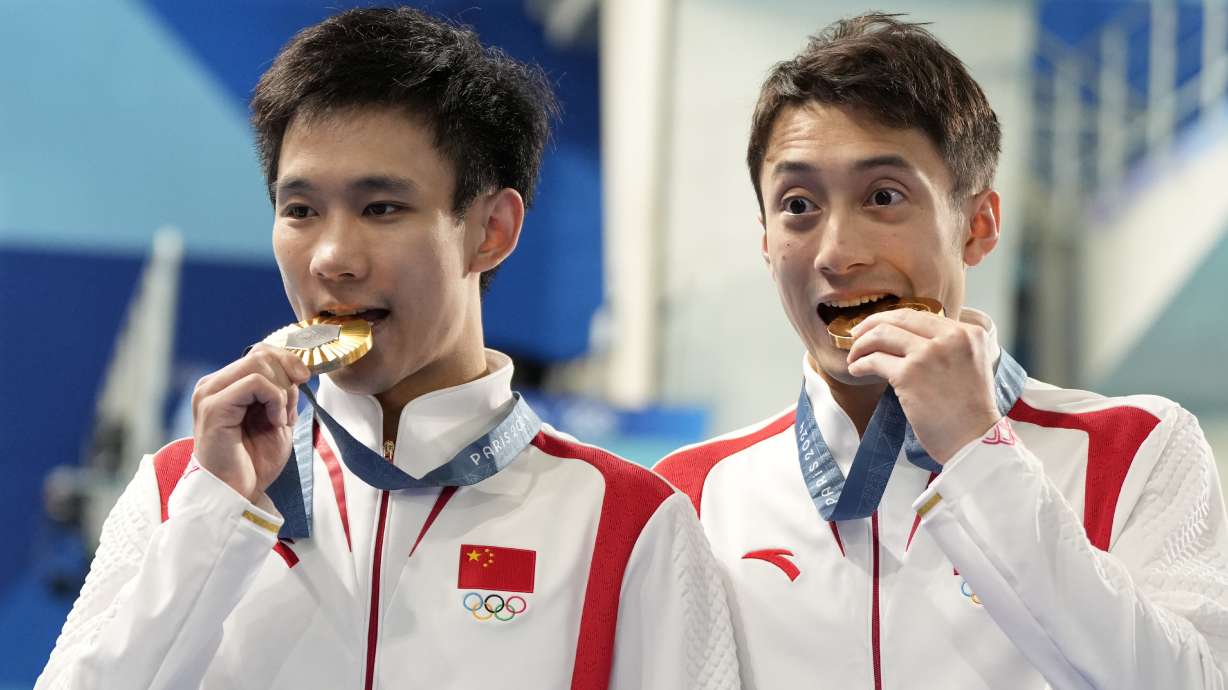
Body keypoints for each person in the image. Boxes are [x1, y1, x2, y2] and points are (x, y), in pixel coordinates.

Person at [37, 8, 736, 689]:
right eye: (301, 210)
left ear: (490, 228)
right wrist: (215, 518)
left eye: (382, 208)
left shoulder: (630, 524)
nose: (333, 258)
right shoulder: (180, 489)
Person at [656, 12, 1228, 690]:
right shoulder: (692, 493)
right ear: (764, 240)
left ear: (979, 226)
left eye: (884, 196)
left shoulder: (1135, 448)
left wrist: (979, 453)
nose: (837, 253)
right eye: (799, 205)